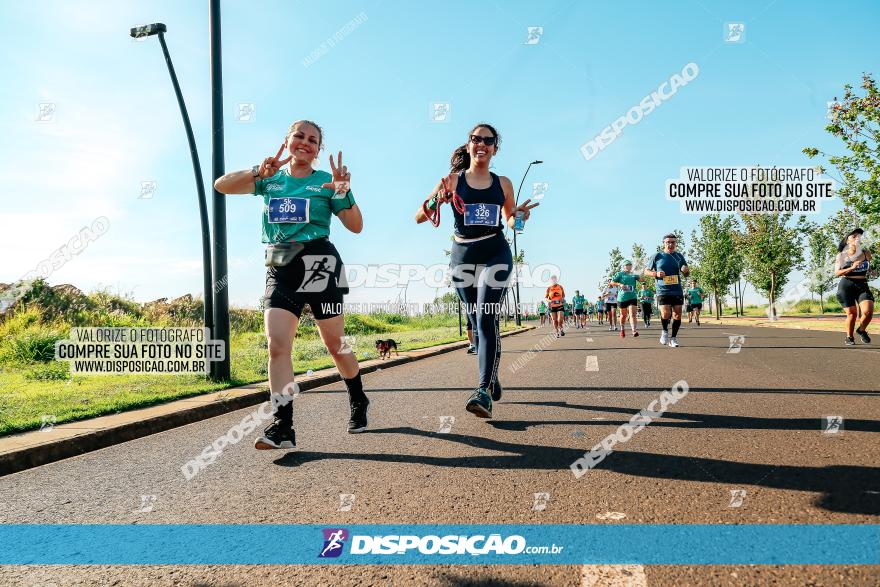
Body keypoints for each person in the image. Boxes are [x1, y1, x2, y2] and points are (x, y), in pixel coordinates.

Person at [213, 120, 368, 450]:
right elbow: (221, 185)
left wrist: (344, 191)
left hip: (319, 262)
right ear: (287, 141)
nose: (305, 143)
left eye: (313, 140)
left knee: (335, 344)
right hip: (280, 264)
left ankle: (358, 397)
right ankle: (283, 427)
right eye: (299, 136)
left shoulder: (327, 183)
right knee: (277, 345)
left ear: (318, 150)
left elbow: (355, 226)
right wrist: (258, 171)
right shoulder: (271, 180)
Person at [416, 122, 538, 418]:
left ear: (495, 148)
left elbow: (511, 222)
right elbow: (420, 216)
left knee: (485, 317)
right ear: (469, 145)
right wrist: (438, 199)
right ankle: (492, 375)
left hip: (495, 251)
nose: (481, 143)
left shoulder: (503, 183)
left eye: (488, 140)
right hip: (463, 257)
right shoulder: (452, 180)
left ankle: (483, 390)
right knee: (475, 319)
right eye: (475, 139)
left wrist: (520, 217)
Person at [645, 233, 689, 348]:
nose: (670, 244)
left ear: (676, 243)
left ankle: (673, 338)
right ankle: (664, 332)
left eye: (673, 242)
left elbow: (686, 274)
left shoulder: (679, 256)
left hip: (677, 290)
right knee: (665, 313)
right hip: (662, 289)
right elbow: (646, 271)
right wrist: (656, 273)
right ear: (664, 243)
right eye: (668, 242)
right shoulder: (657, 256)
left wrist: (685, 271)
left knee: (678, 315)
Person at [834, 228, 874, 346]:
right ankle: (849, 337)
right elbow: (837, 273)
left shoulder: (866, 253)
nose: (857, 238)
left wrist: (872, 272)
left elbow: (870, 268)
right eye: (854, 236)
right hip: (846, 286)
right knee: (852, 314)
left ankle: (861, 330)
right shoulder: (841, 255)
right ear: (847, 241)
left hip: (862, 285)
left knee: (868, 312)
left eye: (859, 236)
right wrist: (852, 268)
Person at [611, 260, 641, 337]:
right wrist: (620, 284)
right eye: (627, 265)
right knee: (623, 315)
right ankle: (622, 329)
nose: (629, 266)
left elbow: (642, 280)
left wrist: (639, 273)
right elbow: (612, 283)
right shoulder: (620, 274)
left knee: (633, 314)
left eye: (630, 265)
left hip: (632, 296)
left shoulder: (633, 274)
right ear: (624, 266)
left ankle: (634, 331)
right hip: (622, 298)